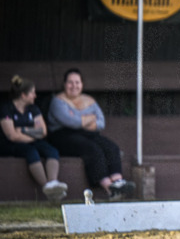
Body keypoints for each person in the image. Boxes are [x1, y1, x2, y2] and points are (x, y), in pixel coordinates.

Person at [47, 68, 134, 200]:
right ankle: (109, 188)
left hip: (87, 134)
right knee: (92, 149)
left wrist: (81, 121)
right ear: (64, 84)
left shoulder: (89, 100)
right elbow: (71, 122)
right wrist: (89, 118)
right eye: (70, 82)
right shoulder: (58, 101)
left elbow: (101, 122)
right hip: (62, 136)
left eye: (77, 82)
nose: (74, 86)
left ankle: (118, 182)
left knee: (111, 146)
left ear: (82, 84)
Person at [0, 75, 67, 202]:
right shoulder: (6, 109)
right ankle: (46, 186)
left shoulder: (33, 109)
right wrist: (32, 135)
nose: (35, 95)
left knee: (51, 151)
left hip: (31, 141)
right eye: (32, 93)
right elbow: (12, 135)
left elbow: (42, 131)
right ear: (23, 95)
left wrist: (23, 130)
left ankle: (53, 182)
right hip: (10, 144)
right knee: (31, 152)